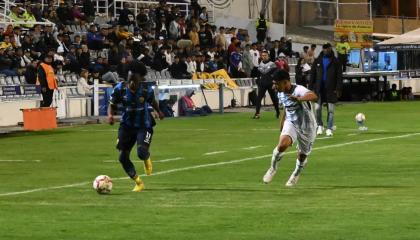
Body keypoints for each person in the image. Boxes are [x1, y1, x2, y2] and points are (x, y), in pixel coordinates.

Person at [107, 61, 164, 192]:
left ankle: (146, 157)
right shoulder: (120, 88)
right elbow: (112, 103)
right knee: (122, 157)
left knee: (141, 152)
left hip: (144, 125)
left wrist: (158, 111)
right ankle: (138, 182)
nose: (131, 81)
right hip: (126, 126)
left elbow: (153, 101)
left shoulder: (145, 90)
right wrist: (110, 115)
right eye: (130, 77)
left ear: (140, 78)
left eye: (134, 78)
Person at [262, 70, 318, 187]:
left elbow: (314, 96)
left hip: (307, 126)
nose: (274, 86)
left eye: (276, 83)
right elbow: (286, 108)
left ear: (285, 82)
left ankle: (295, 174)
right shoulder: (280, 92)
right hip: (291, 122)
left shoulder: (299, 90)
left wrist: (299, 99)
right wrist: (282, 123)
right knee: (282, 145)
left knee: (302, 156)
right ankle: (273, 168)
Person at [309, 43, 342, 137]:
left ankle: (329, 128)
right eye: (324, 49)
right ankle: (320, 125)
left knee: (330, 110)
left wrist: (338, 88)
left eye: (327, 49)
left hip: (331, 89)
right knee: (317, 108)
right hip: (318, 89)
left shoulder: (336, 61)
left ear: (330, 49)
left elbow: (339, 76)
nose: (325, 50)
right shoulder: (317, 61)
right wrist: (310, 88)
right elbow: (312, 75)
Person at [253, 50, 279, 119]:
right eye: (262, 55)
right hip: (262, 84)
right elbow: (258, 75)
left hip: (270, 84)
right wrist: (258, 82)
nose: (263, 57)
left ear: (268, 56)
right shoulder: (260, 64)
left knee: (274, 99)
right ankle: (257, 113)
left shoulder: (272, 64)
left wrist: (274, 82)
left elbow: (277, 74)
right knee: (258, 99)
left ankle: (278, 111)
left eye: (265, 55)